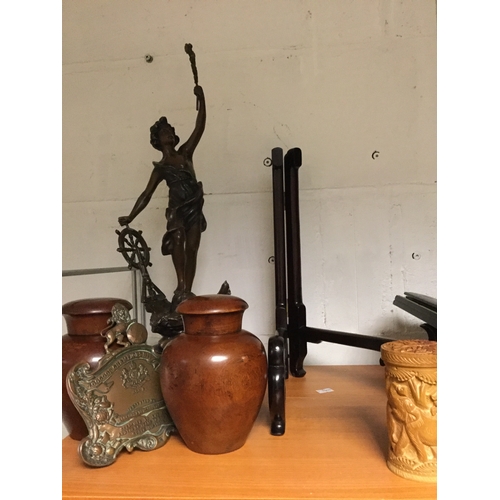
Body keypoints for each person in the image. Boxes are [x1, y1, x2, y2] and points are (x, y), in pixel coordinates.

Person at [119, 84, 206, 308]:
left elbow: (199, 127)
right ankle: (180, 287)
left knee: (192, 248)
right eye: (163, 131)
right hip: (177, 209)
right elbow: (146, 194)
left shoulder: (186, 154)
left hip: (194, 206)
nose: (168, 132)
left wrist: (202, 100)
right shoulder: (161, 168)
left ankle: (187, 290)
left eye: (170, 130)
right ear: (157, 140)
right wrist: (130, 216)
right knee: (177, 238)